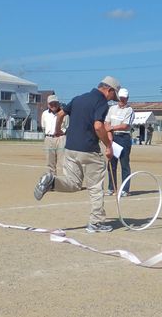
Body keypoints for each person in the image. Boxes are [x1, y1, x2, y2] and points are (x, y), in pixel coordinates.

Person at [33, 76, 121, 233]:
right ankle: (96, 222)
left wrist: (57, 130)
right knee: (95, 188)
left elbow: (60, 115)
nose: (112, 99)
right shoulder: (101, 102)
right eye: (113, 96)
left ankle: (51, 182)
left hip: (71, 148)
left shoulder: (78, 98)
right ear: (109, 90)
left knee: (73, 183)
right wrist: (108, 146)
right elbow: (98, 126)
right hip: (89, 150)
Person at [104, 88, 134, 197]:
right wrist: (109, 135)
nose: (122, 100)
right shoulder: (111, 108)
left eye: (124, 98)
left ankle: (125, 189)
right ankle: (112, 188)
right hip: (112, 137)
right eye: (120, 98)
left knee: (124, 164)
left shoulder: (129, 110)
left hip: (124, 138)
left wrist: (111, 128)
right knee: (111, 164)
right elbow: (106, 122)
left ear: (127, 98)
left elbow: (125, 125)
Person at [41, 94, 68, 175]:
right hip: (49, 138)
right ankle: (52, 181)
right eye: (51, 103)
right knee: (50, 162)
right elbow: (43, 126)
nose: (53, 105)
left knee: (64, 161)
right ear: (48, 104)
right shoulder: (45, 114)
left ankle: (68, 181)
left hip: (61, 139)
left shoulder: (64, 114)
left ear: (58, 103)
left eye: (55, 103)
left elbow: (67, 126)